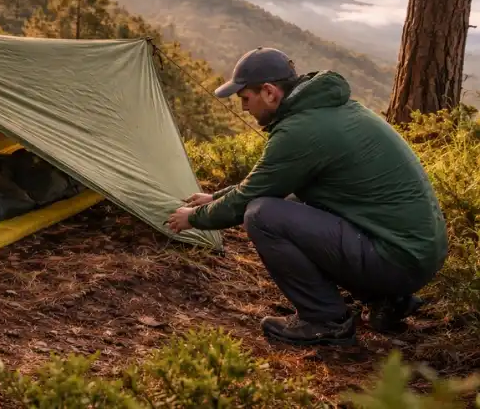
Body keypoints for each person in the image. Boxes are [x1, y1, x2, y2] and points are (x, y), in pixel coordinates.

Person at [166, 47, 448, 346]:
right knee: (291, 205)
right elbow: (271, 180)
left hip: (397, 259)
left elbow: (253, 197)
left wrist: (194, 218)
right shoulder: (330, 111)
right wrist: (216, 197)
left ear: (269, 92)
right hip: (415, 253)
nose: (244, 108)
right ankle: (390, 301)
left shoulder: (302, 130)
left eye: (245, 98)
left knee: (262, 216)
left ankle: (324, 321)